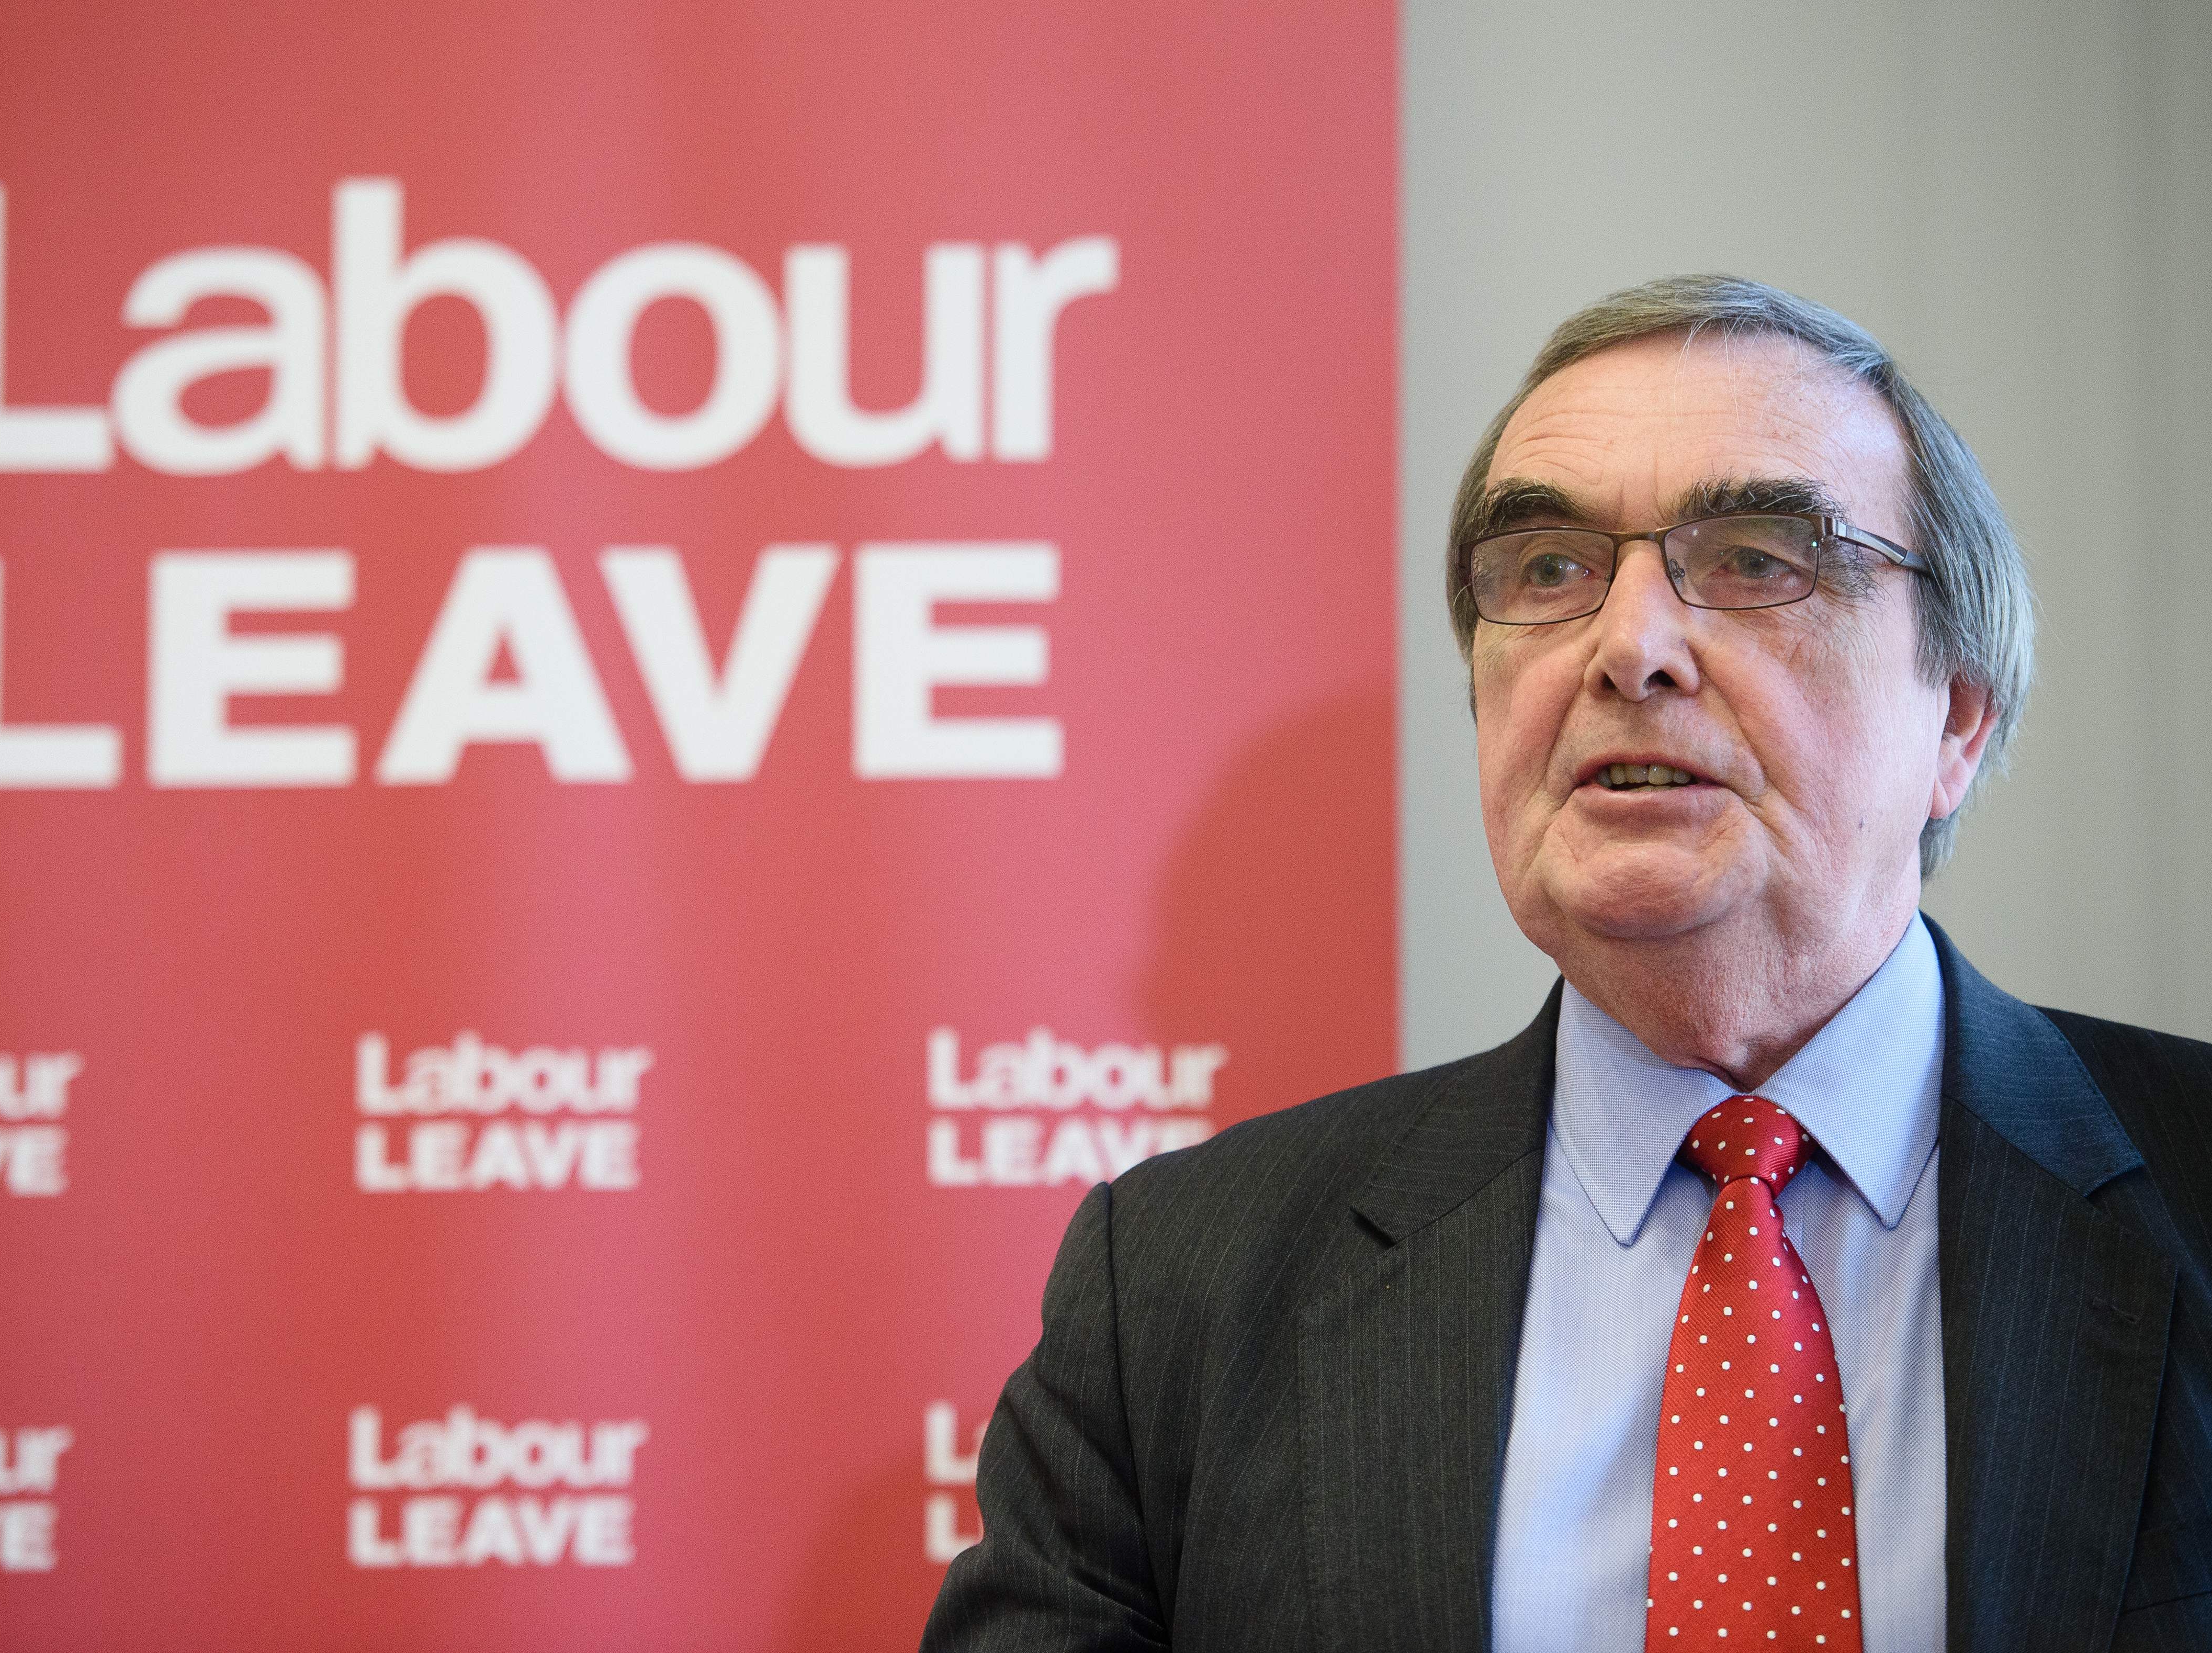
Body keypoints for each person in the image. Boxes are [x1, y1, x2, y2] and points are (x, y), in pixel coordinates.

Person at [921, 276, 2210, 1652]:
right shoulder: (1175, 1286)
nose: (1629, 648)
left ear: (1954, 714)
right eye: (1546, 572)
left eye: (1755, 560)